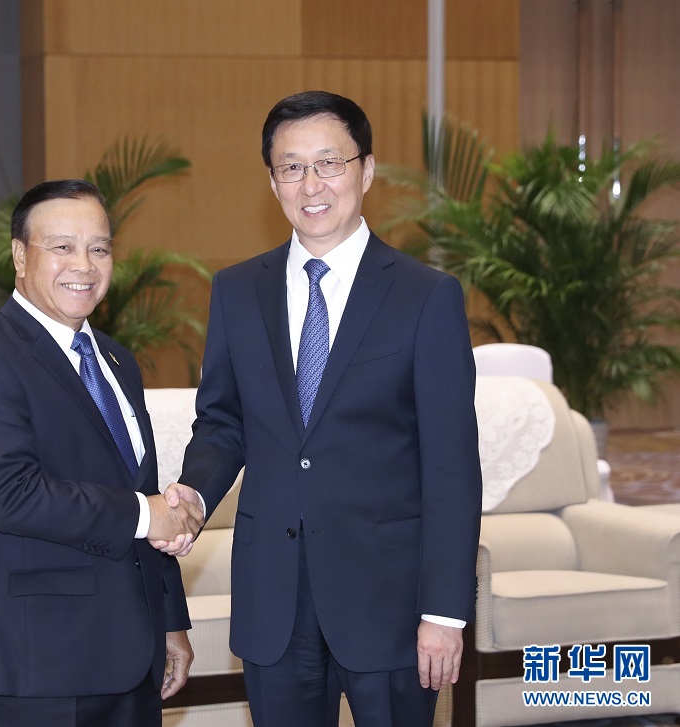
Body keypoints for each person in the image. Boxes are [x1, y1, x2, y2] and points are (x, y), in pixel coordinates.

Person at [177, 91, 482, 725]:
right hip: (274, 601)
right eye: (291, 167)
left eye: (329, 163)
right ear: (272, 181)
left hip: (390, 605)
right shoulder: (237, 290)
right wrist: (196, 496)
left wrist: (444, 612)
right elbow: (224, 422)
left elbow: (451, 466)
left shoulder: (426, 296)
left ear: (366, 171)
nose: (310, 184)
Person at [0, 179, 205, 727]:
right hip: (40, 666)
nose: (83, 265)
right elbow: (13, 496)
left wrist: (169, 620)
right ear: (20, 256)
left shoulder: (117, 361)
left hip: (132, 658)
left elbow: (140, 487)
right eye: (62, 246)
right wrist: (145, 514)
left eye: (99, 248)